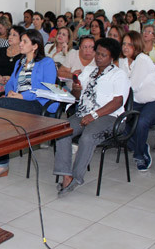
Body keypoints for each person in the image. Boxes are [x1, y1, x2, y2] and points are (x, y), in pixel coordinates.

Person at [53, 38, 130, 194]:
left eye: (104, 55)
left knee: (88, 137)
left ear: (112, 58)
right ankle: (66, 175)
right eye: (98, 53)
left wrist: (94, 115)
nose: (99, 57)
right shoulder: (89, 71)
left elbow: (118, 102)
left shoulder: (118, 75)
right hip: (84, 112)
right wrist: (76, 89)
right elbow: (76, 96)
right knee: (62, 131)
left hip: (110, 117)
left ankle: (76, 177)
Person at [0, 29, 58, 180]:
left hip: (38, 105)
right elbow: (11, 82)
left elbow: (46, 88)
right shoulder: (20, 62)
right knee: (0, 113)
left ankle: (2, 163)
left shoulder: (47, 63)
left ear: (35, 46)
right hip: (17, 102)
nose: (21, 44)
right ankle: (2, 162)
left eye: (25, 41)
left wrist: (21, 96)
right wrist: (11, 93)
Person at [120, 31, 155, 170]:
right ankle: (141, 145)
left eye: (130, 44)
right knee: (118, 119)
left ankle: (139, 155)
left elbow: (132, 85)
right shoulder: (123, 62)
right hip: (140, 101)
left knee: (142, 121)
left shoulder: (143, 59)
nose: (126, 47)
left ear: (137, 45)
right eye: (124, 44)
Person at [0, 25, 24, 99]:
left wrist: (10, 78)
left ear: (21, 38)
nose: (10, 37)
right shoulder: (0, 51)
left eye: (14, 35)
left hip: (12, 85)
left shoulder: (24, 56)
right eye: (10, 34)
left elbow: (23, 75)